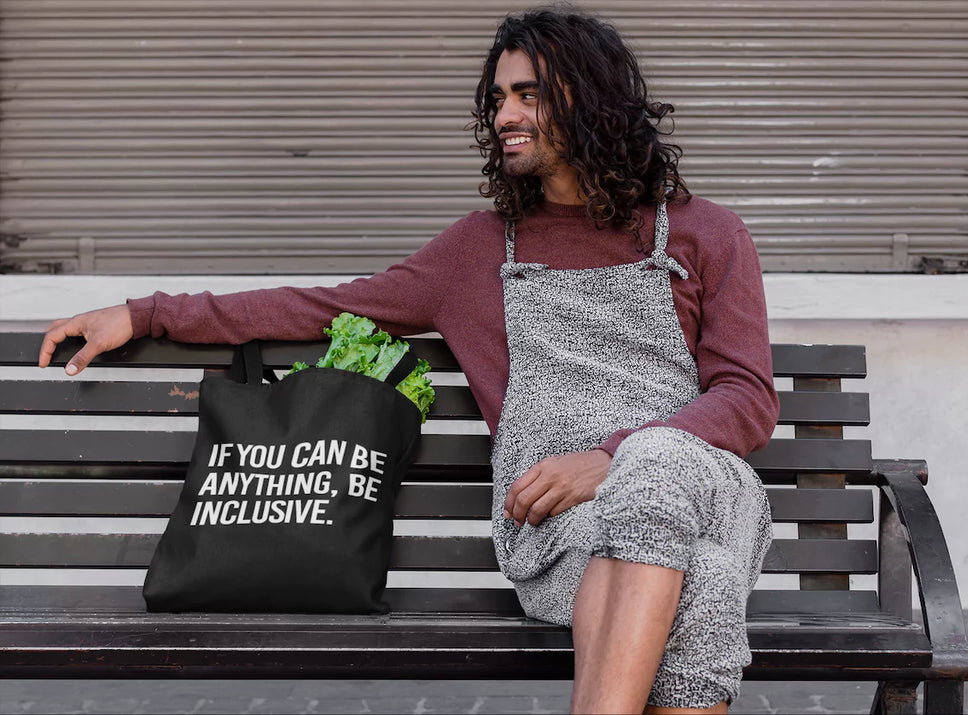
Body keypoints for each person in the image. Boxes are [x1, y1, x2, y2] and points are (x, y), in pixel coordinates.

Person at [38, 7, 777, 713]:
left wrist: (612, 456)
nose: (504, 116)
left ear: (591, 100)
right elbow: (321, 306)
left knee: (655, 466)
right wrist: (147, 312)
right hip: (560, 526)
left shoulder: (705, 234)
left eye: (528, 95)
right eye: (498, 99)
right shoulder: (480, 251)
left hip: (702, 486)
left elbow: (746, 396)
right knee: (704, 582)